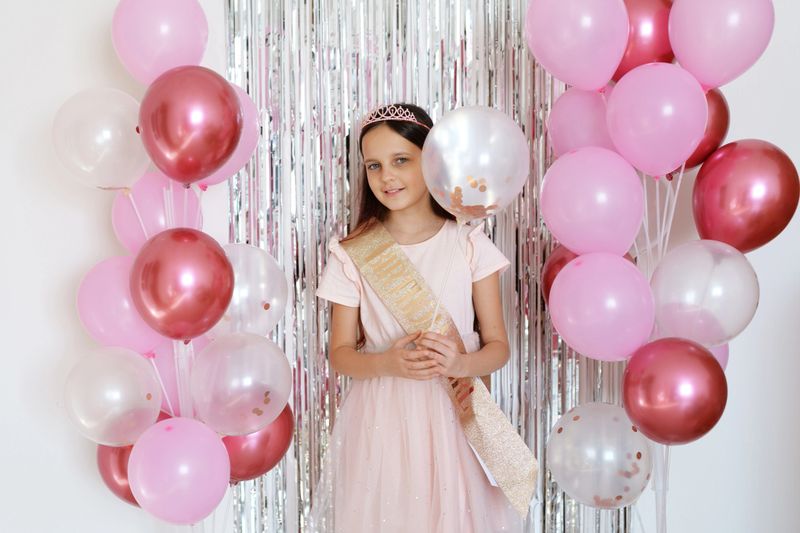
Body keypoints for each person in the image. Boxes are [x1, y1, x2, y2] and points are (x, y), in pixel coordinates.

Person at [309, 103, 524, 532]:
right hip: (383, 417)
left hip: (457, 415)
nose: (387, 176)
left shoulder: (468, 241)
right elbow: (340, 353)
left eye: (401, 160)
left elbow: (498, 346)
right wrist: (386, 362)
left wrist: (461, 364)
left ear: (432, 159)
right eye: (374, 165)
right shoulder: (352, 252)